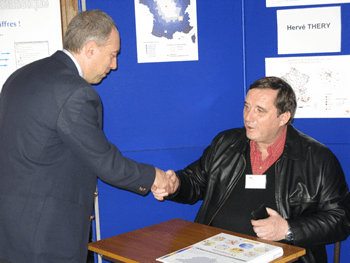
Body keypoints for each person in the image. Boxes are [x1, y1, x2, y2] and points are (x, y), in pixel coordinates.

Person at [0, 10, 174, 263]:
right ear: (91, 49)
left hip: (10, 231)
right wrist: (155, 177)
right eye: (112, 54)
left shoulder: (19, 77)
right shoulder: (75, 92)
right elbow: (105, 161)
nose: (114, 66)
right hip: (46, 239)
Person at [153, 77, 350, 263]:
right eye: (247, 106)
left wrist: (288, 229)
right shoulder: (225, 143)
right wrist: (176, 185)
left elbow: (341, 220)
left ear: (284, 117)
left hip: (282, 258)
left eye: (260, 110)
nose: (248, 117)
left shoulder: (317, 159)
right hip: (216, 252)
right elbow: (195, 182)